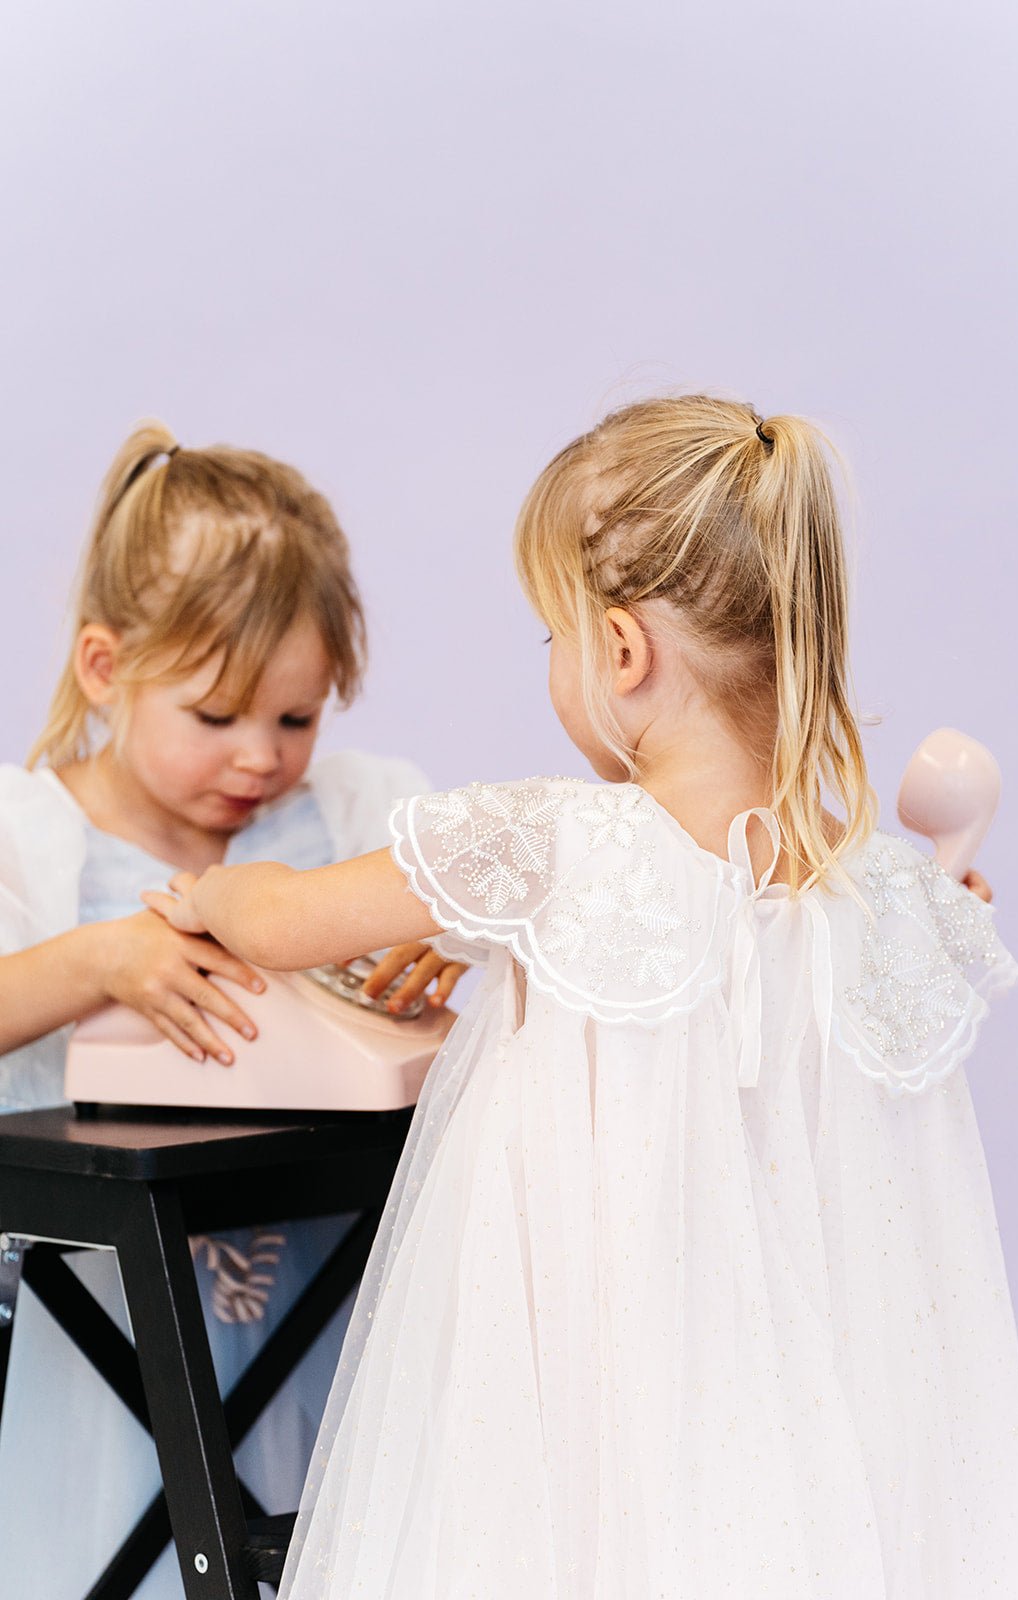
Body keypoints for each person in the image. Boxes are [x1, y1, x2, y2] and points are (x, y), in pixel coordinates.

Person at [148, 395, 1018, 1598]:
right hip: (807, 1418)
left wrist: (218, 894)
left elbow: (287, 920)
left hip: (590, 1399)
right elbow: (889, 947)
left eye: (551, 636)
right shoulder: (882, 890)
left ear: (621, 651)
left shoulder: (551, 838)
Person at [0, 422, 463, 1597]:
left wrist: (446, 944)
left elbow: (465, 937)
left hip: (336, 1280)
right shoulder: (27, 839)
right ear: (105, 669)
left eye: (297, 719)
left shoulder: (361, 814)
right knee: (122, 1552)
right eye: (215, 717)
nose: (261, 757)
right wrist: (98, 959)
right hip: (103, 1304)